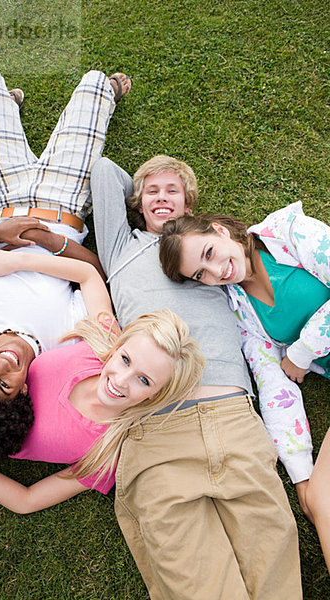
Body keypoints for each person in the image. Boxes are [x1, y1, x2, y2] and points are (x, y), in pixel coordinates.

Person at [90, 156, 302, 599]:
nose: (162, 197)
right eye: (152, 192)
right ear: (137, 202)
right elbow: (103, 170)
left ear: (191, 203)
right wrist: (146, 189)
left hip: (233, 420)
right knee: (195, 583)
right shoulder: (119, 249)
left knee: (274, 566)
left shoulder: (209, 257)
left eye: (173, 190)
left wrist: (178, 218)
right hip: (158, 425)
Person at [0, 64, 131, 459]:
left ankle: (8, 106)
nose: (2, 366)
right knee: (94, 83)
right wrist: (48, 242)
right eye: (5, 384)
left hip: (2, 204)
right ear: (22, 391)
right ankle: (105, 93)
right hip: (64, 204)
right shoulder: (62, 343)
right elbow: (98, 275)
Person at [0, 254, 205, 513]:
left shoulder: (110, 449)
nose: (120, 380)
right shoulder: (100, 348)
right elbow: (87, 275)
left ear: (157, 394)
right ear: (118, 348)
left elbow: (26, 501)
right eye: (125, 360)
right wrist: (18, 261)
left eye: (144, 380)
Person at [159, 201, 330, 570]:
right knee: (319, 498)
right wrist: (300, 470)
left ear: (219, 231)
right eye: (201, 274)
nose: (216, 271)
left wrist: (301, 352)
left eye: (209, 253)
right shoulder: (241, 311)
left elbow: (292, 362)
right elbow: (273, 386)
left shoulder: (290, 233)